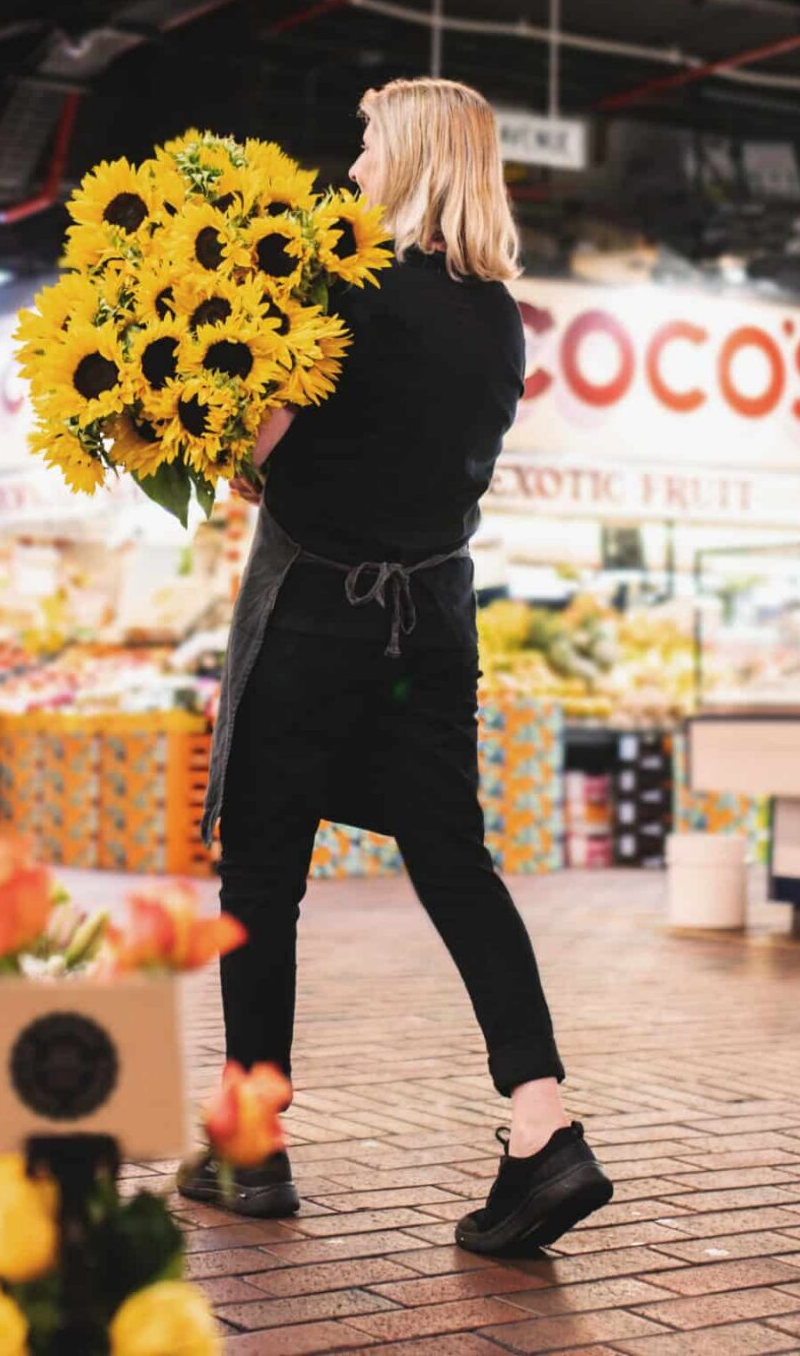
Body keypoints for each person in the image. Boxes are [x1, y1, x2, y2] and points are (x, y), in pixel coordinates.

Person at [189, 78, 609, 1254]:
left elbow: (249, 451)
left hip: (316, 617)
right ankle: (544, 1127)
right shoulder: (501, 321)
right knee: (454, 865)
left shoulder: (338, 293)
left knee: (262, 879)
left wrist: (229, 441)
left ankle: (253, 1145)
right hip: (432, 627)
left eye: (369, 139)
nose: (354, 158)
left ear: (413, 154)